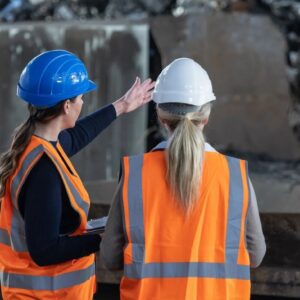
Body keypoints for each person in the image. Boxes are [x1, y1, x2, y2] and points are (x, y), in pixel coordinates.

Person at [101, 58, 266, 300]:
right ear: (206, 116)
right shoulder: (234, 176)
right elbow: (256, 254)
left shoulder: (135, 174)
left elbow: (110, 258)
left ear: (160, 116)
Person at [0, 49, 155, 300]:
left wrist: (122, 106)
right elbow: (45, 250)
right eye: (81, 98)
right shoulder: (43, 173)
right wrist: (102, 238)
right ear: (67, 105)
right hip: (44, 295)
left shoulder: (38, 143)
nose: (83, 104)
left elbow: (76, 136)